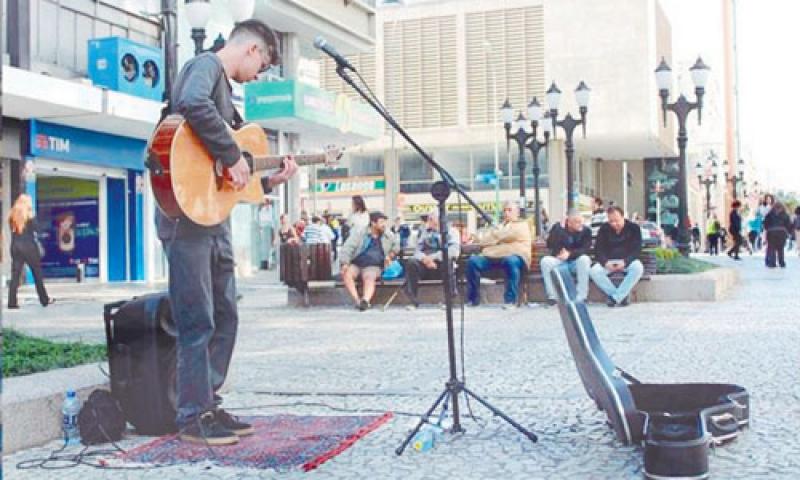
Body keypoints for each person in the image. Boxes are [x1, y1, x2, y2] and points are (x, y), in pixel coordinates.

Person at [155, 20, 298, 446]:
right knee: (196, 319)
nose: (256, 77)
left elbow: (231, 177)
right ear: (252, 49)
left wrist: (272, 180)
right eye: (262, 66)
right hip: (186, 218)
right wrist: (232, 152)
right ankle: (192, 416)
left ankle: (209, 403)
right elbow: (191, 103)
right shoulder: (205, 67)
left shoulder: (228, 100)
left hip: (212, 217)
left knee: (225, 314)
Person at [466, 201, 532, 309]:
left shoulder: (522, 225)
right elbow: (484, 241)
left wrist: (494, 238)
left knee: (510, 261)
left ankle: (511, 301)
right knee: (473, 261)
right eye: (505, 210)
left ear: (517, 212)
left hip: (517, 259)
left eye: (509, 210)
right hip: (495, 258)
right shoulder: (501, 226)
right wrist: (495, 239)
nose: (506, 213)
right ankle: (473, 300)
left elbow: (502, 236)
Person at [339, 211, 400, 311]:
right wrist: (345, 263)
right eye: (381, 222)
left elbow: (396, 246)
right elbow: (347, 248)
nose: (384, 225)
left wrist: (390, 255)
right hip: (357, 263)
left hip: (374, 265)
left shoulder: (388, 235)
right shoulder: (360, 233)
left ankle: (365, 300)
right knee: (347, 273)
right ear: (373, 223)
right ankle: (358, 301)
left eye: (384, 222)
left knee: (369, 276)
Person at [589, 206, 643, 307]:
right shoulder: (604, 229)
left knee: (638, 268)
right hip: (609, 262)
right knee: (594, 271)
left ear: (623, 217)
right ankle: (620, 297)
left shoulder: (634, 228)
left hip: (627, 261)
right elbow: (598, 250)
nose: (614, 224)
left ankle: (615, 298)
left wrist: (626, 262)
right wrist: (605, 262)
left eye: (617, 221)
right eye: (611, 221)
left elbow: (636, 250)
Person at [404, 213, 460, 310]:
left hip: (442, 263)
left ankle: (449, 301)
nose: (429, 222)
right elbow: (417, 250)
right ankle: (413, 301)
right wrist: (424, 259)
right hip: (426, 264)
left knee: (448, 263)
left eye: (431, 219)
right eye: (429, 219)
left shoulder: (452, 231)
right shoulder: (424, 232)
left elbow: (453, 251)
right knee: (411, 262)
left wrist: (433, 257)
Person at [6, 194, 54, 309]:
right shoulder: (29, 216)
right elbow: (37, 229)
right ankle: (44, 299)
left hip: (15, 246)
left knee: (15, 276)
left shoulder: (12, 216)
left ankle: (12, 302)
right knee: (37, 273)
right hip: (29, 247)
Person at [540, 210, 592, 305]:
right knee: (545, 261)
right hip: (560, 260)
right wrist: (560, 230)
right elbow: (550, 244)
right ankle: (552, 297)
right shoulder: (558, 228)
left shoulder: (586, 231)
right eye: (577, 222)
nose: (580, 224)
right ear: (569, 222)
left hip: (575, 262)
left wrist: (570, 254)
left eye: (581, 221)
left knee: (585, 259)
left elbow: (585, 249)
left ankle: (581, 296)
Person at [763, 201, 792, 268]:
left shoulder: (769, 214)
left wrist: (767, 229)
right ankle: (781, 263)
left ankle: (772, 263)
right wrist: (788, 232)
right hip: (782, 233)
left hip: (771, 232)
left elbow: (765, 224)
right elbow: (788, 225)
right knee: (780, 248)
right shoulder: (785, 214)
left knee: (772, 248)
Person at [257, 198, 277, 269]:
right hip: (263, 228)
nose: (266, 204)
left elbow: (272, 221)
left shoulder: (270, 209)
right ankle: (264, 263)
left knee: (270, 247)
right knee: (263, 246)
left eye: (267, 202)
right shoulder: (261, 210)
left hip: (269, 228)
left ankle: (269, 263)